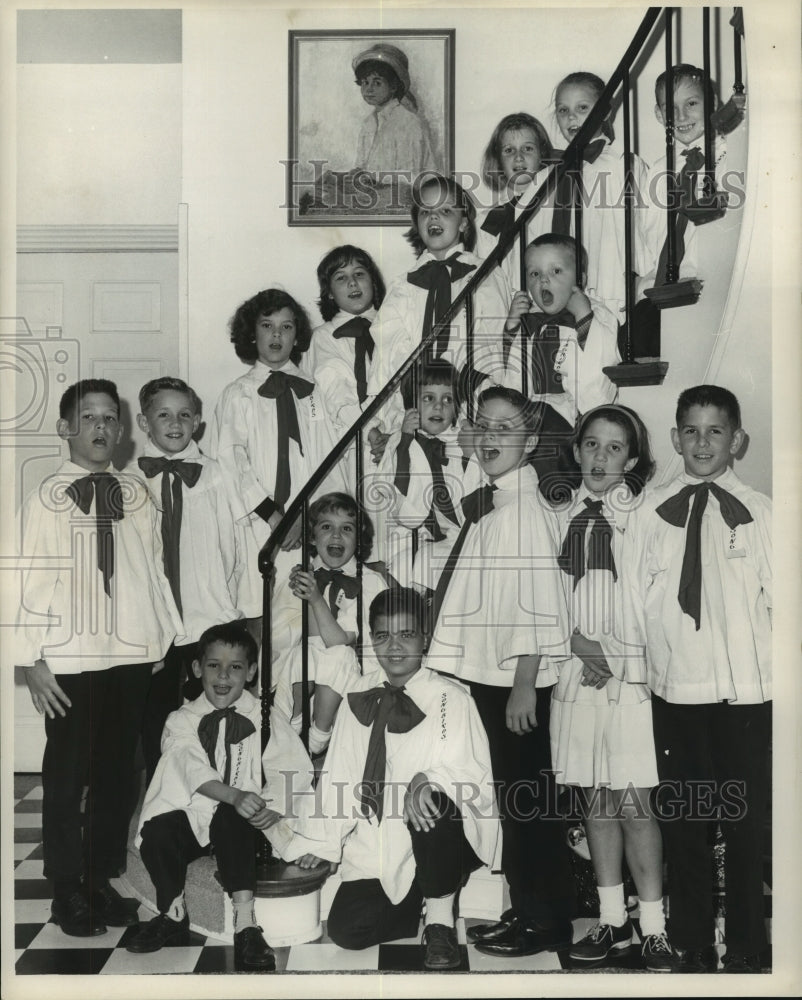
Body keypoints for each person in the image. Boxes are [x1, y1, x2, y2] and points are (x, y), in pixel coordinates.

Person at [13, 379, 182, 937]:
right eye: (88, 418)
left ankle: (100, 877)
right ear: (66, 429)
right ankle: (66, 887)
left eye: (111, 418)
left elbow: (151, 570)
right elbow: (22, 579)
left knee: (116, 774)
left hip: (131, 650)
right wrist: (30, 660)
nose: (102, 428)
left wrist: (161, 639)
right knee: (67, 773)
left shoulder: (136, 493)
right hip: (70, 656)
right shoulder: (44, 498)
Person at [622, 385, 772, 973]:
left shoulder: (761, 511)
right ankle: (688, 934)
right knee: (683, 817)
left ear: (737, 440)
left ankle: (744, 943)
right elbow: (633, 603)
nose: (702, 442)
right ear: (675, 437)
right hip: (673, 690)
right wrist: (640, 679)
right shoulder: (649, 514)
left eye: (715, 431)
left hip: (742, 694)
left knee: (741, 819)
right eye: (690, 430)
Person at [426, 385, 577, 958]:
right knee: (515, 801)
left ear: (530, 441)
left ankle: (547, 921)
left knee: (528, 804)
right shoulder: (501, 503)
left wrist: (522, 685)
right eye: (482, 426)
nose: (491, 437)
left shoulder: (523, 513)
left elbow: (538, 602)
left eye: (505, 428)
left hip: (515, 682)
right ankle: (527, 908)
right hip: (496, 676)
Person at [283, 587, 500, 970]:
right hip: (379, 845)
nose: (394, 647)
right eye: (383, 635)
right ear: (371, 639)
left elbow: (470, 773)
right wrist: (325, 839)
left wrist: (427, 778)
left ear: (425, 638)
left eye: (406, 634)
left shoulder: (450, 697)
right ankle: (417, 897)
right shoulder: (358, 695)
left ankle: (439, 923)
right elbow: (342, 774)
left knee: (433, 798)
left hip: (438, 835)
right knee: (348, 930)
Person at [548, 405, 672, 972]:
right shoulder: (558, 512)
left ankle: (653, 926)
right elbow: (543, 597)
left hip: (629, 677)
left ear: (634, 458)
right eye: (591, 445)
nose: (601, 458)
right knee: (597, 800)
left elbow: (650, 600)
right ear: (576, 451)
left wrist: (615, 658)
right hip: (577, 673)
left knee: (634, 802)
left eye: (615, 448)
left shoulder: (643, 517)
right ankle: (610, 918)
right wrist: (579, 645)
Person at [128, 622, 308, 970]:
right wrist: (234, 795)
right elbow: (188, 766)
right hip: (194, 817)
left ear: (251, 672)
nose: (223, 676)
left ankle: (245, 923)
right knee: (158, 830)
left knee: (232, 815)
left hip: (239, 827)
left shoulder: (263, 716)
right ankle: (172, 910)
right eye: (214, 665)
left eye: (235, 667)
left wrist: (272, 805)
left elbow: (293, 764)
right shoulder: (181, 719)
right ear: (197, 669)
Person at [208, 288, 344, 637]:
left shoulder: (311, 392)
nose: (276, 335)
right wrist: (274, 516)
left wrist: (309, 518)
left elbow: (326, 456)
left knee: (303, 617)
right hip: (259, 523)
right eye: (267, 325)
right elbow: (231, 462)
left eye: (286, 327)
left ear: (297, 335)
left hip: (305, 524)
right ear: (252, 334)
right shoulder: (238, 394)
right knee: (259, 613)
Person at [135, 376, 244, 782]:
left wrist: (229, 603)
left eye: (184, 414)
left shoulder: (214, 474)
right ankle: (163, 799)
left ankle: (216, 800)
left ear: (198, 421)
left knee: (213, 713)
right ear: (144, 422)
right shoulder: (131, 479)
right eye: (163, 414)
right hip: (156, 622)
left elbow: (233, 543)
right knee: (157, 716)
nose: (175, 423)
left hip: (206, 613)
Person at [364, 173, 508, 462]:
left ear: (464, 222)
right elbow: (387, 357)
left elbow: (492, 344)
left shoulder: (485, 275)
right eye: (426, 212)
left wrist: (478, 406)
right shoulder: (403, 285)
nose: (435, 218)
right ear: (417, 223)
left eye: (445, 211)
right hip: (413, 412)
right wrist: (377, 421)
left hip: (464, 406)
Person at [271, 492, 394, 751]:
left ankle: (317, 738)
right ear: (313, 538)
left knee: (339, 655)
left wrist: (316, 599)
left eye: (346, 529)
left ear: (357, 540)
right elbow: (290, 636)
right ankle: (292, 725)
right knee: (300, 654)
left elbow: (339, 641)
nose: (336, 536)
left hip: (353, 683)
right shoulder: (304, 576)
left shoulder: (368, 581)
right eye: (326, 527)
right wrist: (304, 597)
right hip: (311, 682)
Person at [502, 233, 619, 498]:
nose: (543, 280)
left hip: (571, 418)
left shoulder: (598, 316)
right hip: (532, 417)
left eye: (556, 271)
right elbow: (512, 375)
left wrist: (583, 316)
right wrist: (511, 327)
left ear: (581, 280)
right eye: (534, 274)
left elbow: (595, 379)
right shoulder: (529, 323)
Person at [369, 357, 479, 587]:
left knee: (432, 563)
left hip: (466, 530)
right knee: (403, 568)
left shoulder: (463, 439)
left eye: (447, 399)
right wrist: (405, 442)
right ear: (412, 405)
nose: (438, 406)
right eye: (428, 398)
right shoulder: (401, 442)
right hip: (424, 534)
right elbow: (400, 499)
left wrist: (470, 453)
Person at [551, 71, 650, 321]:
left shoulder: (623, 165)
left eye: (582, 107)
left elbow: (641, 228)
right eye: (563, 110)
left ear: (605, 112)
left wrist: (639, 281)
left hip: (609, 285)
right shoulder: (556, 173)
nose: (571, 116)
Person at [638, 64, 728, 296]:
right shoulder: (658, 170)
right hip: (659, 286)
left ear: (713, 103)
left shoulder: (729, 156)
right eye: (671, 108)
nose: (681, 116)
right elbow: (647, 232)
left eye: (691, 103)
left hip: (706, 284)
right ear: (659, 115)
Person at [476, 111, 554, 288]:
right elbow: (487, 283)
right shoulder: (485, 220)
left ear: (542, 155)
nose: (518, 157)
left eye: (527, 148)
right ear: (497, 161)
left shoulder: (555, 210)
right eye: (509, 150)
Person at [351, 42, 436, 192]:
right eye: (365, 82)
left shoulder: (409, 123)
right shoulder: (368, 123)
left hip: (404, 201)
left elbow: (409, 181)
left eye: (377, 83)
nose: (368, 89)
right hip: (375, 199)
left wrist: (370, 181)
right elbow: (362, 166)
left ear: (394, 86)